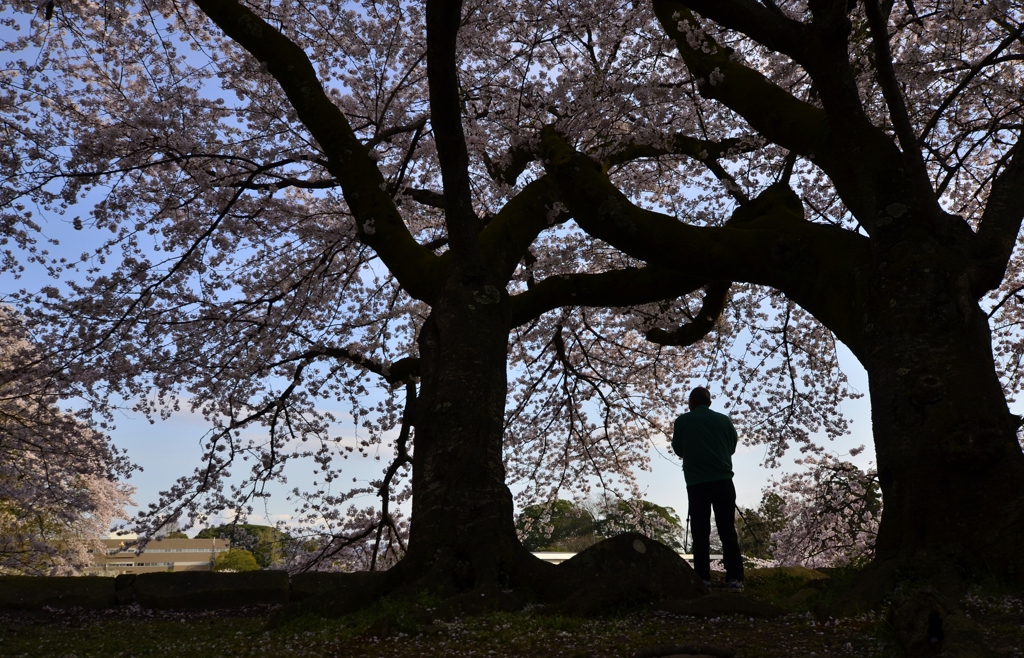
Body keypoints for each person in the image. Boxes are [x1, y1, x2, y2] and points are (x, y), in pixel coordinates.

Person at [671, 386, 744, 592]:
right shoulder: (724, 420)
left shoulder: (683, 421)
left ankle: (703, 578)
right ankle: (735, 579)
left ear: (691, 404)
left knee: (700, 532)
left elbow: (678, 449)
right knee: (727, 531)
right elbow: (731, 448)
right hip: (723, 480)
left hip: (696, 483)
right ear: (709, 403)